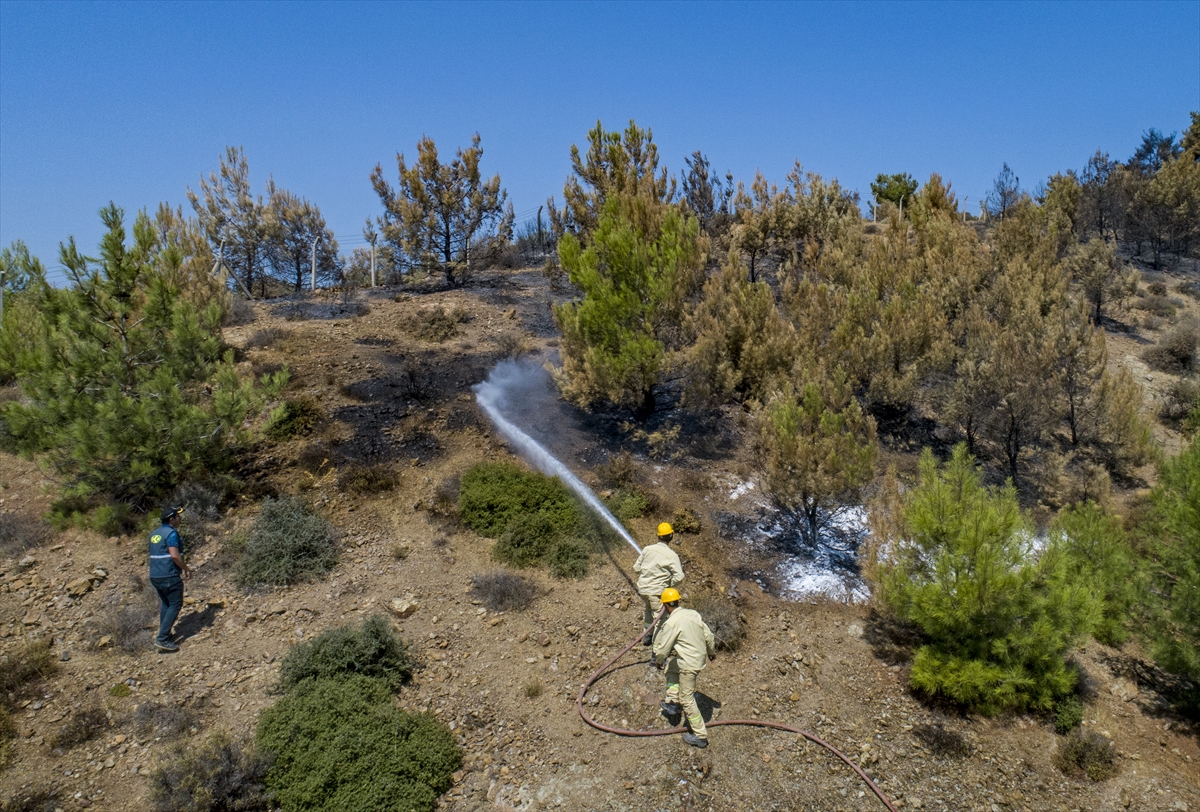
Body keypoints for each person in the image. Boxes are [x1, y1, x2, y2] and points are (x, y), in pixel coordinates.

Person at [652, 587, 716, 748]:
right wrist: (711, 652)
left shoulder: (672, 622)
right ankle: (672, 701)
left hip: (689, 663)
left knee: (687, 699)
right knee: (672, 668)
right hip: (697, 657)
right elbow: (708, 635)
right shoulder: (693, 614)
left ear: (665, 606)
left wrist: (659, 660)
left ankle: (700, 736)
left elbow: (664, 647)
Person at [633, 522, 684, 646]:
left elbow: (636, 568)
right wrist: (668, 586)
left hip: (643, 590)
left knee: (648, 609)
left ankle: (647, 637)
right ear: (671, 536)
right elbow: (680, 576)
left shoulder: (647, 549)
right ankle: (656, 654)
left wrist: (647, 574)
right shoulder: (672, 556)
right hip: (657, 592)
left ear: (658, 536)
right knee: (660, 621)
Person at [149, 505, 191, 652]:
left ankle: (165, 633)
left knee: (166, 604)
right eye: (178, 516)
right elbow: (174, 555)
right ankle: (162, 639)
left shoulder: (155, 534)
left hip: (155, 575)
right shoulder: (171, 534)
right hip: (169, 574)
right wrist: (186, 568)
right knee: (175, 603)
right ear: (172, 519)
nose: (180, 518)